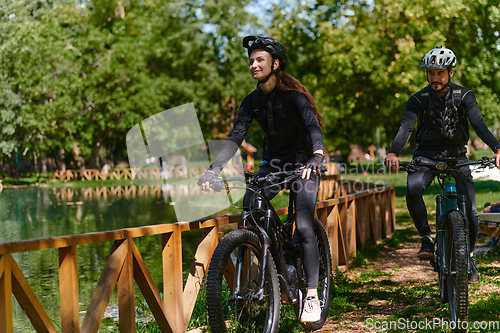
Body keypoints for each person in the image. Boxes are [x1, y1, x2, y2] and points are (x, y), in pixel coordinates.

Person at [197, 36, 325, 322]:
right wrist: (213, 169)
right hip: (274, 165)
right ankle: (267, 271)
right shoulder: (252, 101)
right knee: (250, 206)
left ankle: (313, 296)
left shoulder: (295, 97)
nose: (253, 64)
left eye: (260, 60)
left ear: (275, 64)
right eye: (252, 60)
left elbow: (313, 127)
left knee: (303, 226)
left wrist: (317, 156)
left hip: (304, 166)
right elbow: (235, 138)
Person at [385, 46, 500, 284]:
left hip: (457, 157)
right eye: (430, 73)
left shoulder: (465, 96)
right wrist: (393, 152)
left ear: (451, 72)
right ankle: (426, 237)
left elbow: (478, 124)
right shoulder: (418, 99)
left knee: (471, 211)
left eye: (439, 73)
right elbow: (406, 128)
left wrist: (497, 148)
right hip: (426, 156)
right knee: (414, 188)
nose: (434, 78)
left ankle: (468, 257)